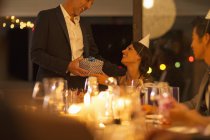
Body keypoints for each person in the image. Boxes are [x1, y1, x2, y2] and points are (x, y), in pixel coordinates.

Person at [31, 0, 125, 89]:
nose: (88, 6)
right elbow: (36, 54)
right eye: (87, 0)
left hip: (79, 86)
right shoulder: (46, 17)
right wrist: (67, 66)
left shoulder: (84, 24)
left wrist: (123, 71)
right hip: (52, 85)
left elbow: (92, 58)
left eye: (91, 3)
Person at [184, 12, 210, 116]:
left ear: (206, 38)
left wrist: (191, 119)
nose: (191, 45)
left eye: (193, 38)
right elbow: (198, 101)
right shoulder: (208, 71)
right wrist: (171, 108)